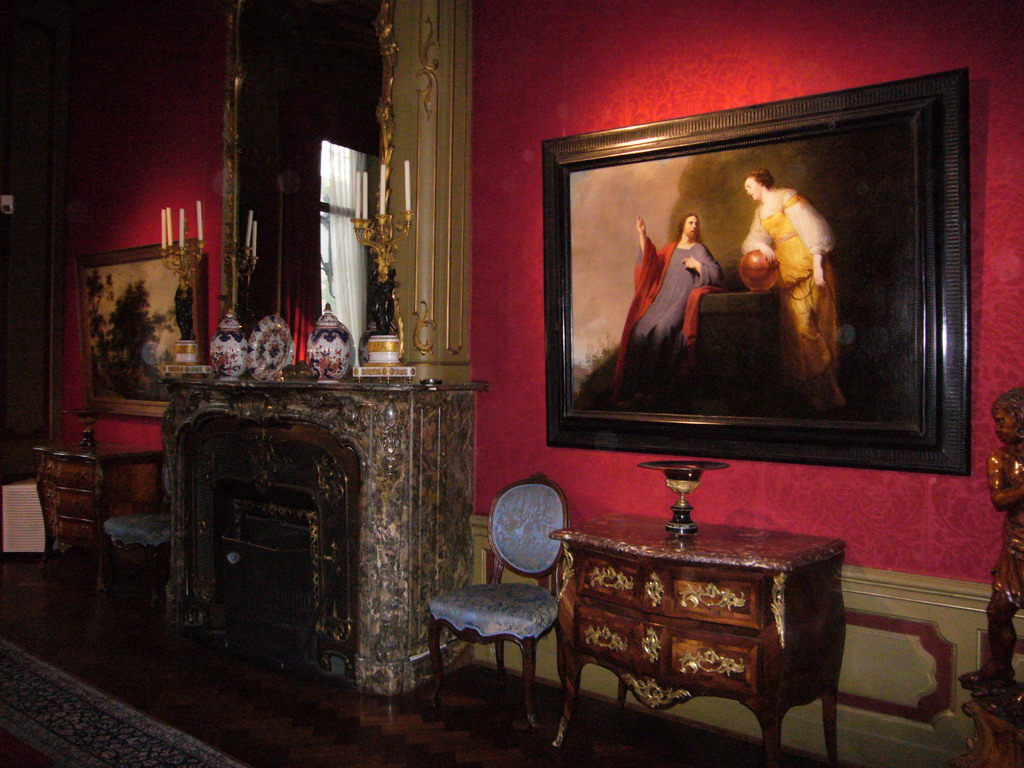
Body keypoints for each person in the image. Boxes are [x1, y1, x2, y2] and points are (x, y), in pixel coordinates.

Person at [741, 169, 845, 411]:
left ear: (760, 183)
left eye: (749, 186)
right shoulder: (760, 212)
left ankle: (829, 390)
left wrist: (818, 263)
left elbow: (814, 227)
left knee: (821, 325)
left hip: (808, 262)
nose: (747, 191)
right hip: (786, 270)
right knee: (800, 331)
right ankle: (812, 389)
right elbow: (750, 241)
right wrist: (759, 244)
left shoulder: (787, 197)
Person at [612, 213, 723, 404]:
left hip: (679, 302)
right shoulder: (671, 249)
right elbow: (650, 263)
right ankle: (632, 390)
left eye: (697, 223)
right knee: (639, 330)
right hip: (661, 301)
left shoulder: (698, 249)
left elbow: (717, 272)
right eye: (690, 222)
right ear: (682, 226)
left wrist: (697, 265)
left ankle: (652, 390)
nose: (694, 226)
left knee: (662, 330)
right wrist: (642, 234)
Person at [960, 387, 1024, 693]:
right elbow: (1000, 499)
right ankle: (1000, 668)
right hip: (1015, 545)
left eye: (1002, 421)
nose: (998, 429)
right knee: (998, 610)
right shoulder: (1000, 458)